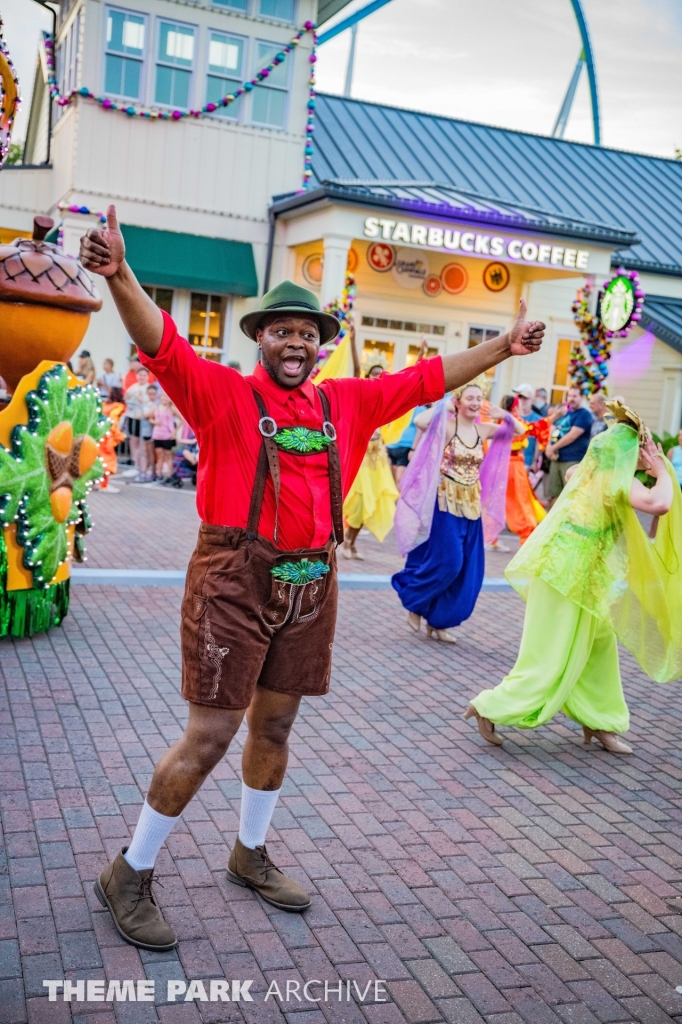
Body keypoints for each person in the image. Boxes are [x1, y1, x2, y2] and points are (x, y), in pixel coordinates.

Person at [79, 204, 544, 950]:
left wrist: (502, 346)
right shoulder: (224, 395)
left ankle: (249, 853)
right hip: (233, 579)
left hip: (311, 586)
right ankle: (128, 872)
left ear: (323, 349)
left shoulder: (348, 403)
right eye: (282, 330)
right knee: (210, 736)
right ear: (261, 338)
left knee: (277, 723)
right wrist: (121, 273)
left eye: (308, 333)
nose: (296, 341)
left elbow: (429, 378)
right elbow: (159, 341)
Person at [465, 402, 682, 754]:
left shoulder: (584, 472)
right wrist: (660, 470)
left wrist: (646, 462)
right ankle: (490, 707)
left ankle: (599, 721)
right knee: (551, 652)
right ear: (629, 452)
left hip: (580, 575)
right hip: (564, 576)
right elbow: (660, 504)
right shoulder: (613, 480)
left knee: (599, 647)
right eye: (642, 448)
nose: (647, 453)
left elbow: (572, 475)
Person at [391, 378, 524, 643]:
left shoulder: (484, 430)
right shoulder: (448, 426)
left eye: (479, 398)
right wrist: (445, 405)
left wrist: (504, 414)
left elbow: (519, 431)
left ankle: (438, 621)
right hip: (445, 503)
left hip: (471, 506)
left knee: (465, 568)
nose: (475, 403)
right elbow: (420, 422)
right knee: (449, 562)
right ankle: (415, 602)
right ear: (459, 402)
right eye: (470, 398)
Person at [545, 385, 593, 504]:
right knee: (553, 495)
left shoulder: (584, 414)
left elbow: (572, 436)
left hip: (572, 460)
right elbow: (547, 427)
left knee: (570, 496)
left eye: (575, 396)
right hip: (556, 459)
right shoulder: (565, 413)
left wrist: (552, 448)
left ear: (582, 397)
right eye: (569, 395)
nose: (571, 398)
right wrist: (548, 447)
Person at [124, 366, 151, 479]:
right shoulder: (133, 387)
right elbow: (126, 396)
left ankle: (143, 466)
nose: (142, 377)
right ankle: (135, 463)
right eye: (140, 375)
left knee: (142, 444)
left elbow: (147, 402)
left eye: (144, 375)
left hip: (143, 418)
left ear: (147, 377)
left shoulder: (148, 388)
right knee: (133, 440)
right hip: (132, 416)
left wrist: (139, 398)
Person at [99, 386, 126, 492]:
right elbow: (113, 421)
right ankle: (104, 485)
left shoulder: (103, 405)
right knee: (108, 460)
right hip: (107, 436)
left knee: (97, 459)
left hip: (98, 433)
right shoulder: (118, 406)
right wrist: (119, 435)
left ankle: (97, 483)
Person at [150, 393, 177, 481]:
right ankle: (159, 474)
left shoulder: (171, 409)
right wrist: (155, 422)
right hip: (157, 434)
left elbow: (181, 419)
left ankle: (169, 475)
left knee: (168, 455)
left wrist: (174, 431)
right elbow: (150, 418)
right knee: (159, 455)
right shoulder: (156, 408)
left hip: (167, 434)